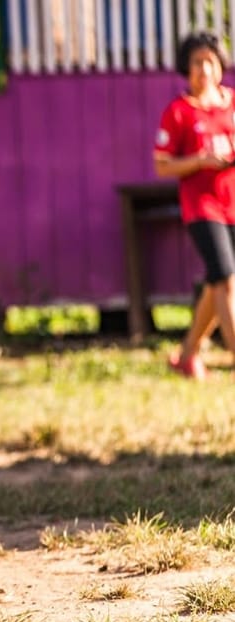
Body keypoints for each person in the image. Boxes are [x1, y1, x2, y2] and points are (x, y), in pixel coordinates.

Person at [154, 30, 235, 380]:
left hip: (231, 200)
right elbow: (162, 165)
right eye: (196, 62)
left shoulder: (232, 104)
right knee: (228, 282)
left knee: (217, 283)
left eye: (210, 61)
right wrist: (200, 160)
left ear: (221, 66)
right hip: (201, 207)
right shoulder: (179, 112)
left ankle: (188, 354)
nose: (204, 69)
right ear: (186, 69)